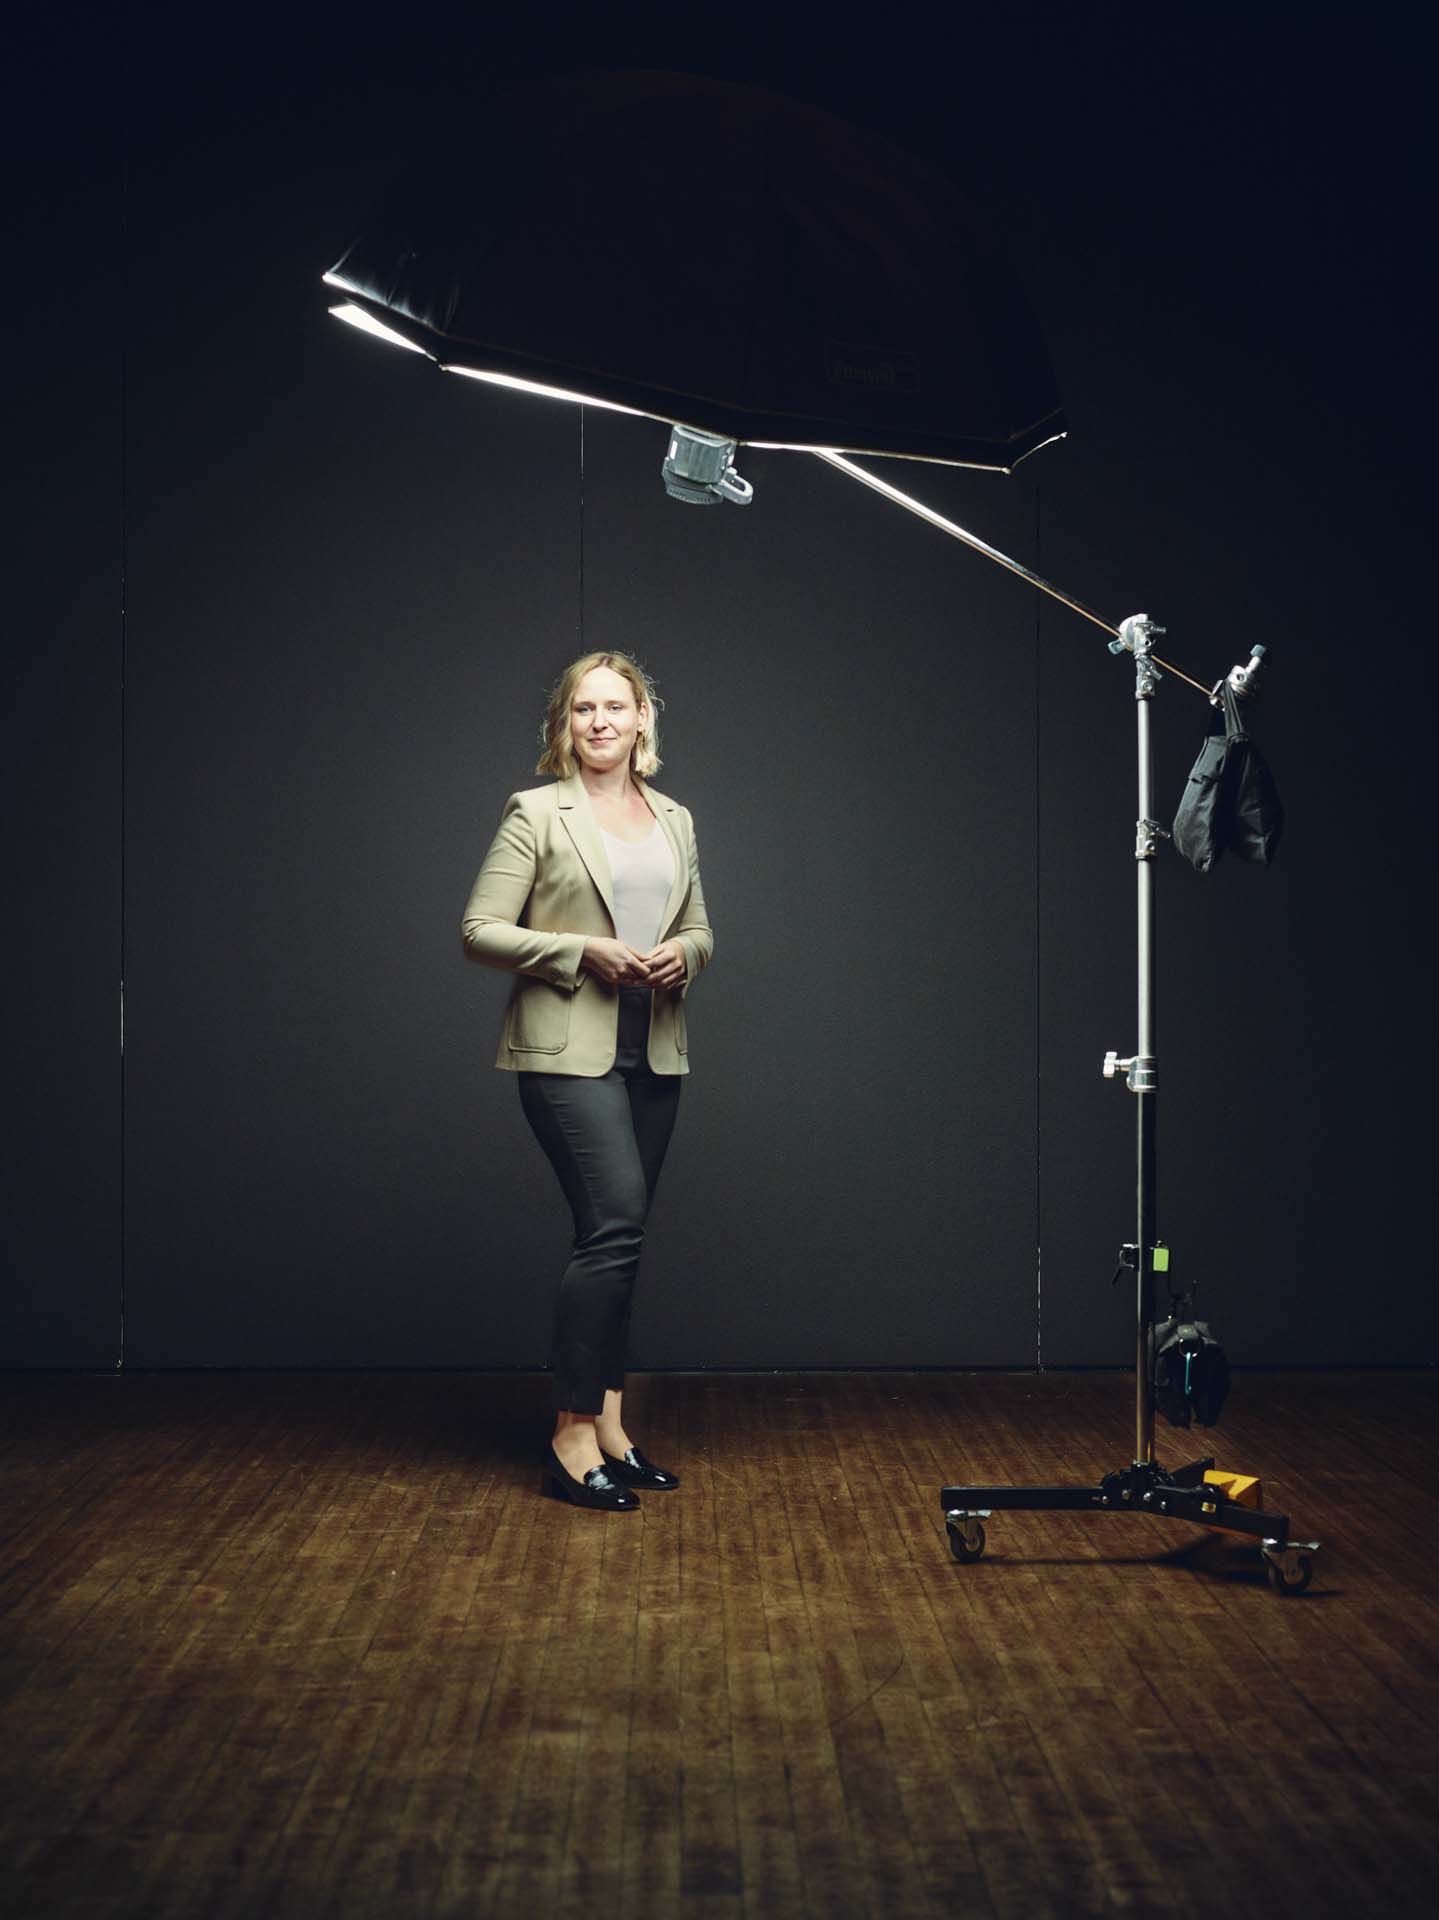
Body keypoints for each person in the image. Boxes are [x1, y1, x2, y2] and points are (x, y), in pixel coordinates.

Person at [461, 651, 714, 1511]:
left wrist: (684, 954)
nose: (600, 721)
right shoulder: (536, 813)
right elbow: (479, 930)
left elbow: (700, 926)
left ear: (645, 718)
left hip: (655, 1047)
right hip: (566, 1050)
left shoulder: (674, 816)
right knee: (612, 1226)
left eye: (617, 706)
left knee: (623, 1237)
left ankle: (610, 1424)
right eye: (583, 709)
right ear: (563, 726)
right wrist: (580, 952)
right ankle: (570, 1437)